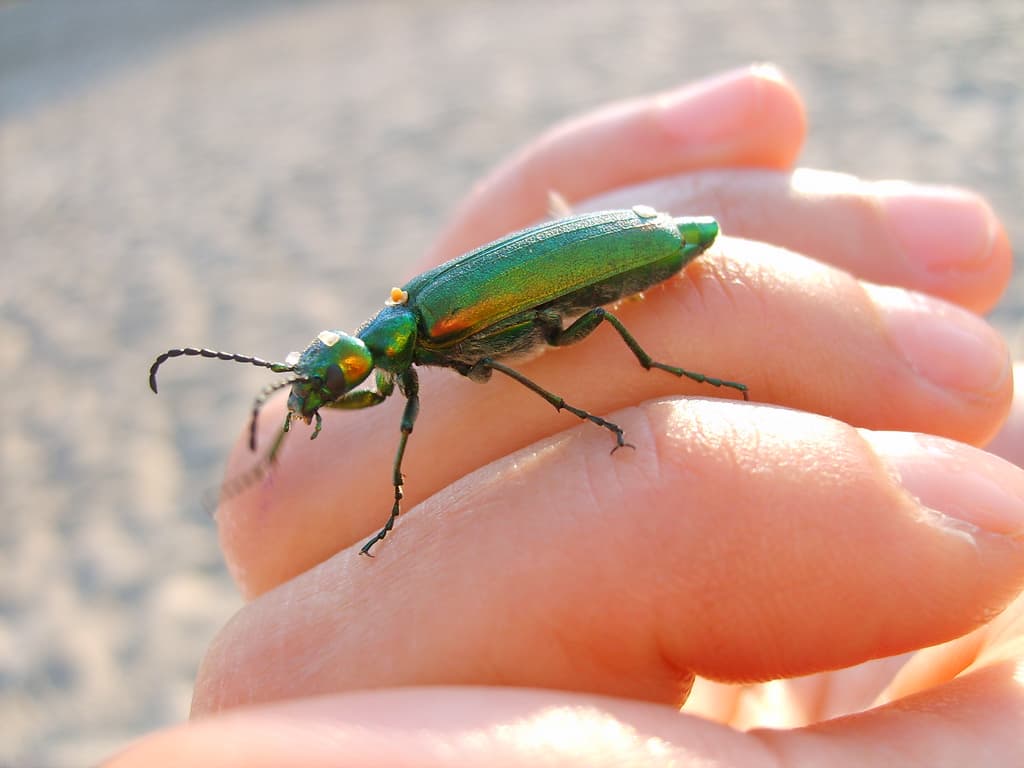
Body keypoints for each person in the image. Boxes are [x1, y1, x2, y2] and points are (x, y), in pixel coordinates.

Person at [108, 65, 1024, 766]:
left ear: (369, 356)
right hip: (611, 246)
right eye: (323, 382)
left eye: (330, 377)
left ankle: (658, 361)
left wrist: (613, 397)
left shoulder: (427, 332)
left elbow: (513, 378)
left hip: (632, 254)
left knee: (545, 354)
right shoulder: (411, 323)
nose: (328, 389)